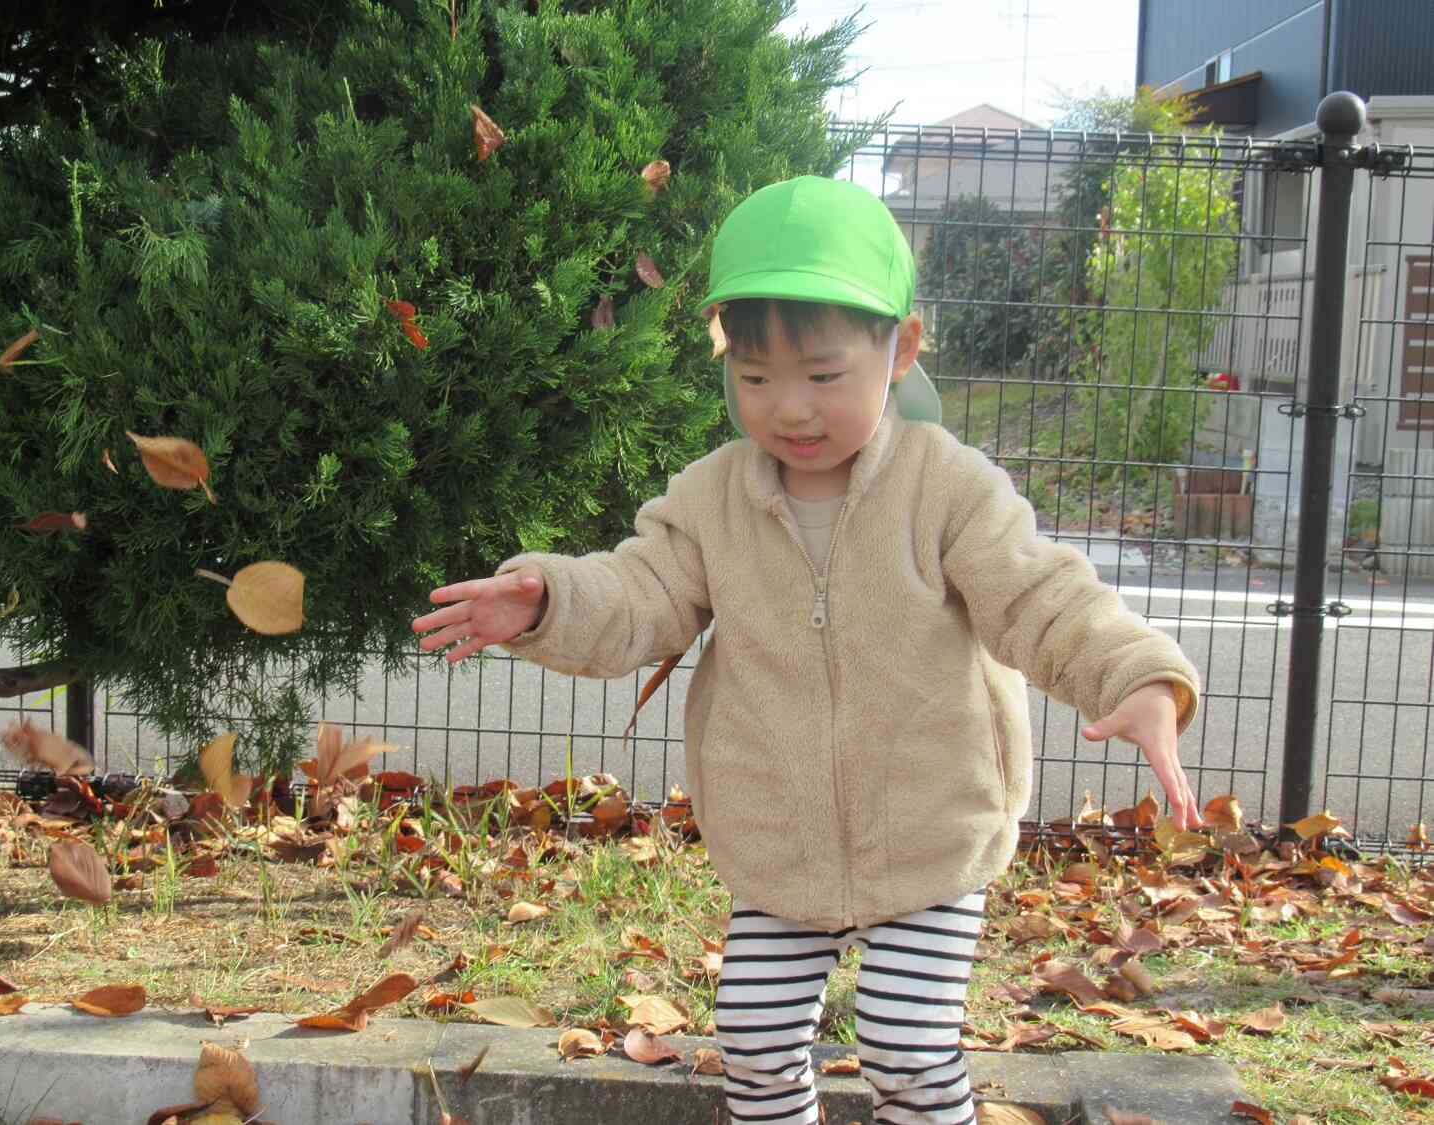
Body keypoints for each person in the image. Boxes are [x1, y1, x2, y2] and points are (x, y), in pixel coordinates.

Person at [411, 175, 1203, 1125]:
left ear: (900, 348)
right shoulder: (712, 498)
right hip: (777, 840)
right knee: (750, 1038)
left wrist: (1140, 676)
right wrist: (548, 600)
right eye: (755, 378)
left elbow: (1045, 596)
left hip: (930, 830)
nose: (790, 408)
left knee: (907, 1045)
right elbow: (640, 594)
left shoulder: (947, 489)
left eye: (824, 375)